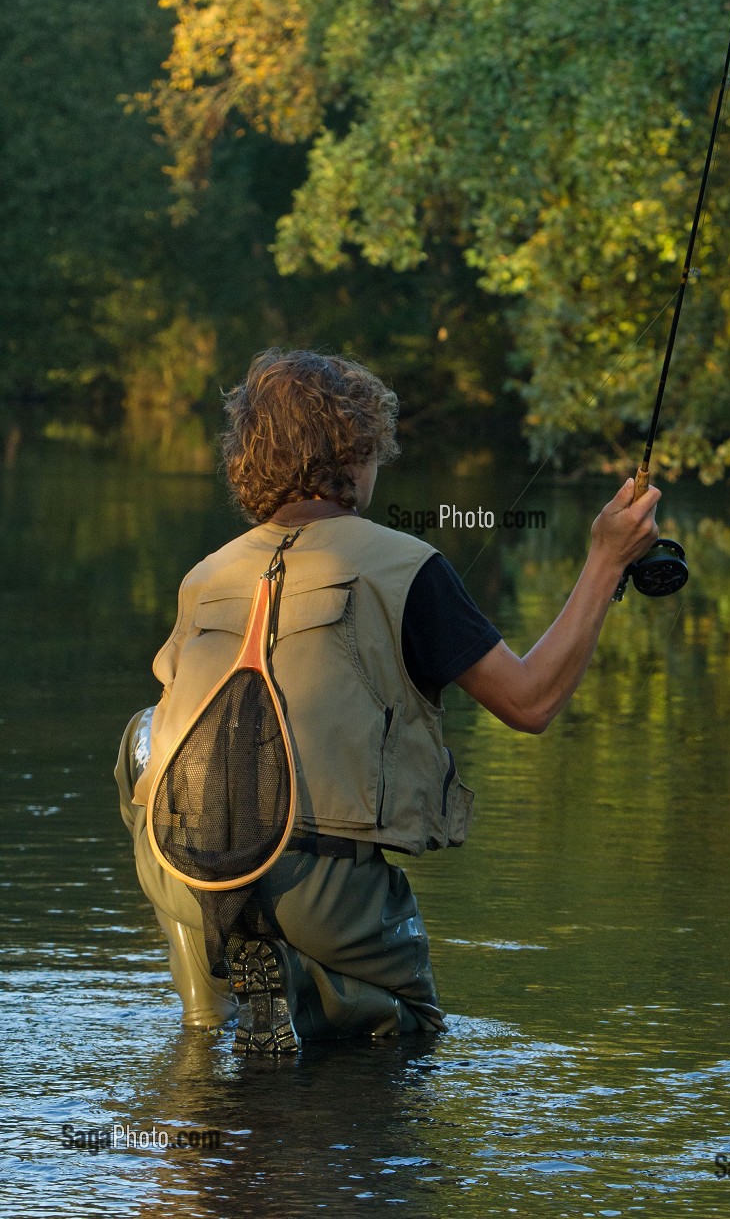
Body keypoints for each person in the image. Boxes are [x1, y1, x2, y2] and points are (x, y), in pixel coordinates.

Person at [115, 348, 660, 1053]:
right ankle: (324, 989)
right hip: (320, 889)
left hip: (181, 876)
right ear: (355, 450)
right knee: (404, 1037)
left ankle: (208, 1006)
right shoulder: (407, 567)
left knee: (141, 736)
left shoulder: (204, 577)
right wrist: (605, 560)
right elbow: (530, 702)